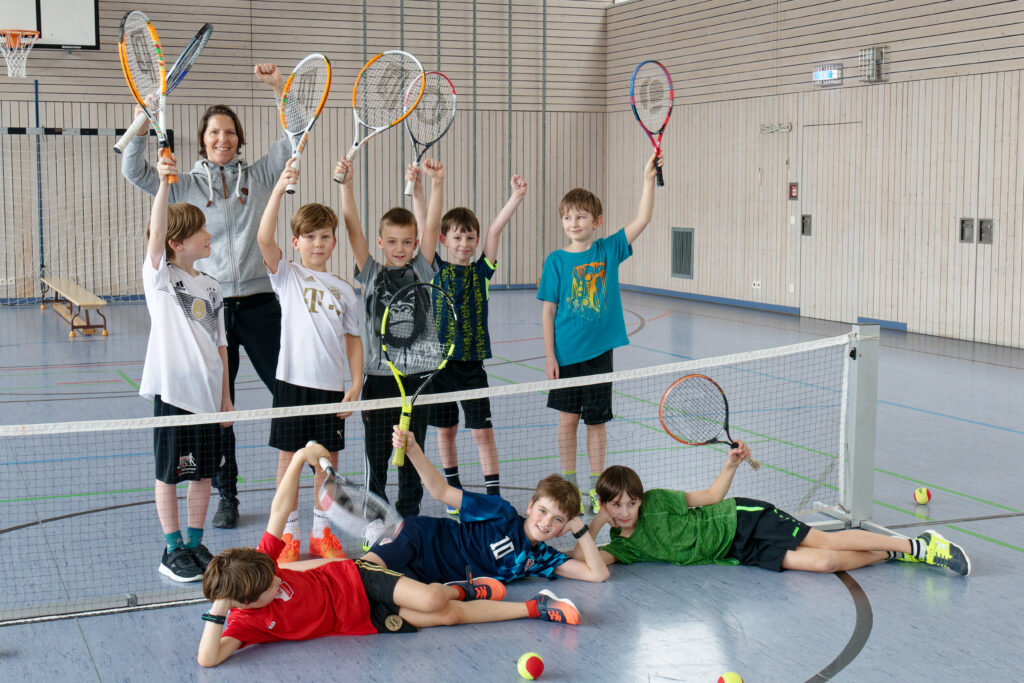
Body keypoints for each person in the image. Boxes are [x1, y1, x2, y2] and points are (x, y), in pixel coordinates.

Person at [197, 443, 582, 667]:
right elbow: (207, 659)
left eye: (274, 573)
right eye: (269, 586)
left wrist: (300, 459)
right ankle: (507, 600)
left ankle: (492, 596)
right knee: (446, 616)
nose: (278, 577)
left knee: (433, 597)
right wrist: (220, 607)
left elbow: (279, 512)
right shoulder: (244, 622)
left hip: (356, 577)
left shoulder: (262, 565)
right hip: (362, 620)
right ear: (243, 602)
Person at [122, 64, 292, 529]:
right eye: (215, 132)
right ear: (203, 139)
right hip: (207, 308)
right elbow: (130, 168)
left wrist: (280, 89)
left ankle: (291, 480)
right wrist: (145, 119)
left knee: (290, 392)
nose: (224, 138)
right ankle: (227, 493)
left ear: (239, 138)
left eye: (231, 131)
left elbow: (296, 136)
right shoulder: (183, 183)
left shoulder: (257, 177)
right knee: (219, 406)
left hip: (259, 303)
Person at [574, 446, 972, 576]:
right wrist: (594, 523)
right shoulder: (623, 548)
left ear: (641, 498)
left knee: (828, 539)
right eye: (616, 506)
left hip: (741, 517)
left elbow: (712, 496)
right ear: (606, 507)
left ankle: (918, 546)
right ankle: (892, 551)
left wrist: (730, 465)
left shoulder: (659, 499)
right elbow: (589, 563)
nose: (626, 511)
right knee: (823, 564)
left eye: (631, 502)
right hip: (735, 552)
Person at [538, 152, 662, 515]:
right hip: (565, 356)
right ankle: (569, 482)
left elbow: (643, 218)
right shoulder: (556, 262)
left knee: (596, 422)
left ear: (597, 221)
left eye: (580, 216)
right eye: (567, 217)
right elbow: (548, 310)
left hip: (599, 356)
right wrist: (549, 355)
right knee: (567, 421)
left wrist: (648, 180)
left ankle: (595, 486)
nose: (573, 222)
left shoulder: (608, 250)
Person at [255, 160, 363, 562]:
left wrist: (355, 383)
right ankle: (287, 534)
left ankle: (322, 531)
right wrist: (280, 189)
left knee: (327, 464)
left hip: (331, 387)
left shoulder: (344, 289)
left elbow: (353, 340)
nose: (318, 243)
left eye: (325, 236)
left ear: (334, 242)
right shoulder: (288, 276)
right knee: (289, 461)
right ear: (297, 241)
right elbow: (264, 237)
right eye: (309, 236)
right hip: (292, 384)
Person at [139, 154, 233, 582]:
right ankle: (172, 548)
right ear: (177, 242)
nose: (208, 234)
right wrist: (162, 185)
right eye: (200, 231)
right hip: (175, 394)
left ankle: (195, 544)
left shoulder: (212, 286)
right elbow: (156, 232)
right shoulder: (161, 280)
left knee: (204, 474)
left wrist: (226, 396)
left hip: (209, 396)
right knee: (171, 474)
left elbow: (221, 344)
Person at [361, 427, 610, 585]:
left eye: (558, 520)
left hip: (426, 577)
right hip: (419, 538)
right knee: (359, 574)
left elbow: (597, 574)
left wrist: (580, 528)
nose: (546, 522)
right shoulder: (500, 512)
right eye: (543, 511)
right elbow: (441, 491)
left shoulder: (540, 558)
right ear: (530, 506)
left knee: (370, 589)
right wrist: (413, 450)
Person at [337, 157, 441, 518]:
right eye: (392, 241)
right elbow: (352, 231)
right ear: (381, 242)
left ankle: (408, 515)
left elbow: (431, 226)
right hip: (379, 380)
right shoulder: (370, 274)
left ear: (415, 245)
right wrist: (346, 186)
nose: (400, 248)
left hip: (417, 379)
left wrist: (431, 186)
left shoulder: (421, 270)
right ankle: (375, 517)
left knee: (413, 451)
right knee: (376, 453)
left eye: (407, 242)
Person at [422, 175, 529, 514]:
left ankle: (493, 495)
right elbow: (425, 227)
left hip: (472, 367)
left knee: (482, 431)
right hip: (439, 366)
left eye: (470, 237)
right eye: (457, 237)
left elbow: (496, 231)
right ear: (444, 240)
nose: (465, 243)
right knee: (446, 430)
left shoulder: (481, 271)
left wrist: (514, 197)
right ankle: (454, 491)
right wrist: (418, 188)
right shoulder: (435, 269)